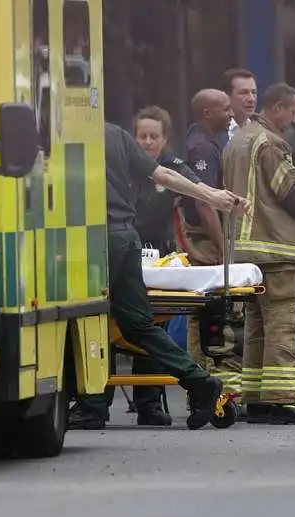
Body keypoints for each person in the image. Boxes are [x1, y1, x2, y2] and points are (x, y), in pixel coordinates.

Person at [68, 120, 250, 431]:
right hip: (125, 237)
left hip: (94, 239)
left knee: (87, 319)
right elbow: (162, 174)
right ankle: (199, 382)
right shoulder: (115, 133)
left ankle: (92, 403)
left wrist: (212, 196)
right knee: (138, 324)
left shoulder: (64, 132)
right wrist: (211, 195)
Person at [222, 82, 295, 426]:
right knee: (285, 321)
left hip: (245, 250)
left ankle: (256, 398)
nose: (294, 119)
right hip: (277, 248)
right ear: (278, 107)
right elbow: (292, 193)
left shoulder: (236, 141)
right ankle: (282, 399)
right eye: (293, 111)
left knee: (256, 325)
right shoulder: (271, 143)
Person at [177, 89, 243, 405]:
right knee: (208, 311)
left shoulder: (203, 139)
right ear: (207, 113)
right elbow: (204, 203)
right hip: (205, 239)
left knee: (206, 311)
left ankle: (207, 387)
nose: (230, 114)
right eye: (225, 109)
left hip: (206, 236)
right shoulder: (201, 147)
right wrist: (224, 246)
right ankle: (206, 387)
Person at [220, 68, 258, 143]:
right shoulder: (216, 132)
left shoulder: (260, 130)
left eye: (253, 92)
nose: (251, 99)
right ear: (226, 96)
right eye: (244, 93)